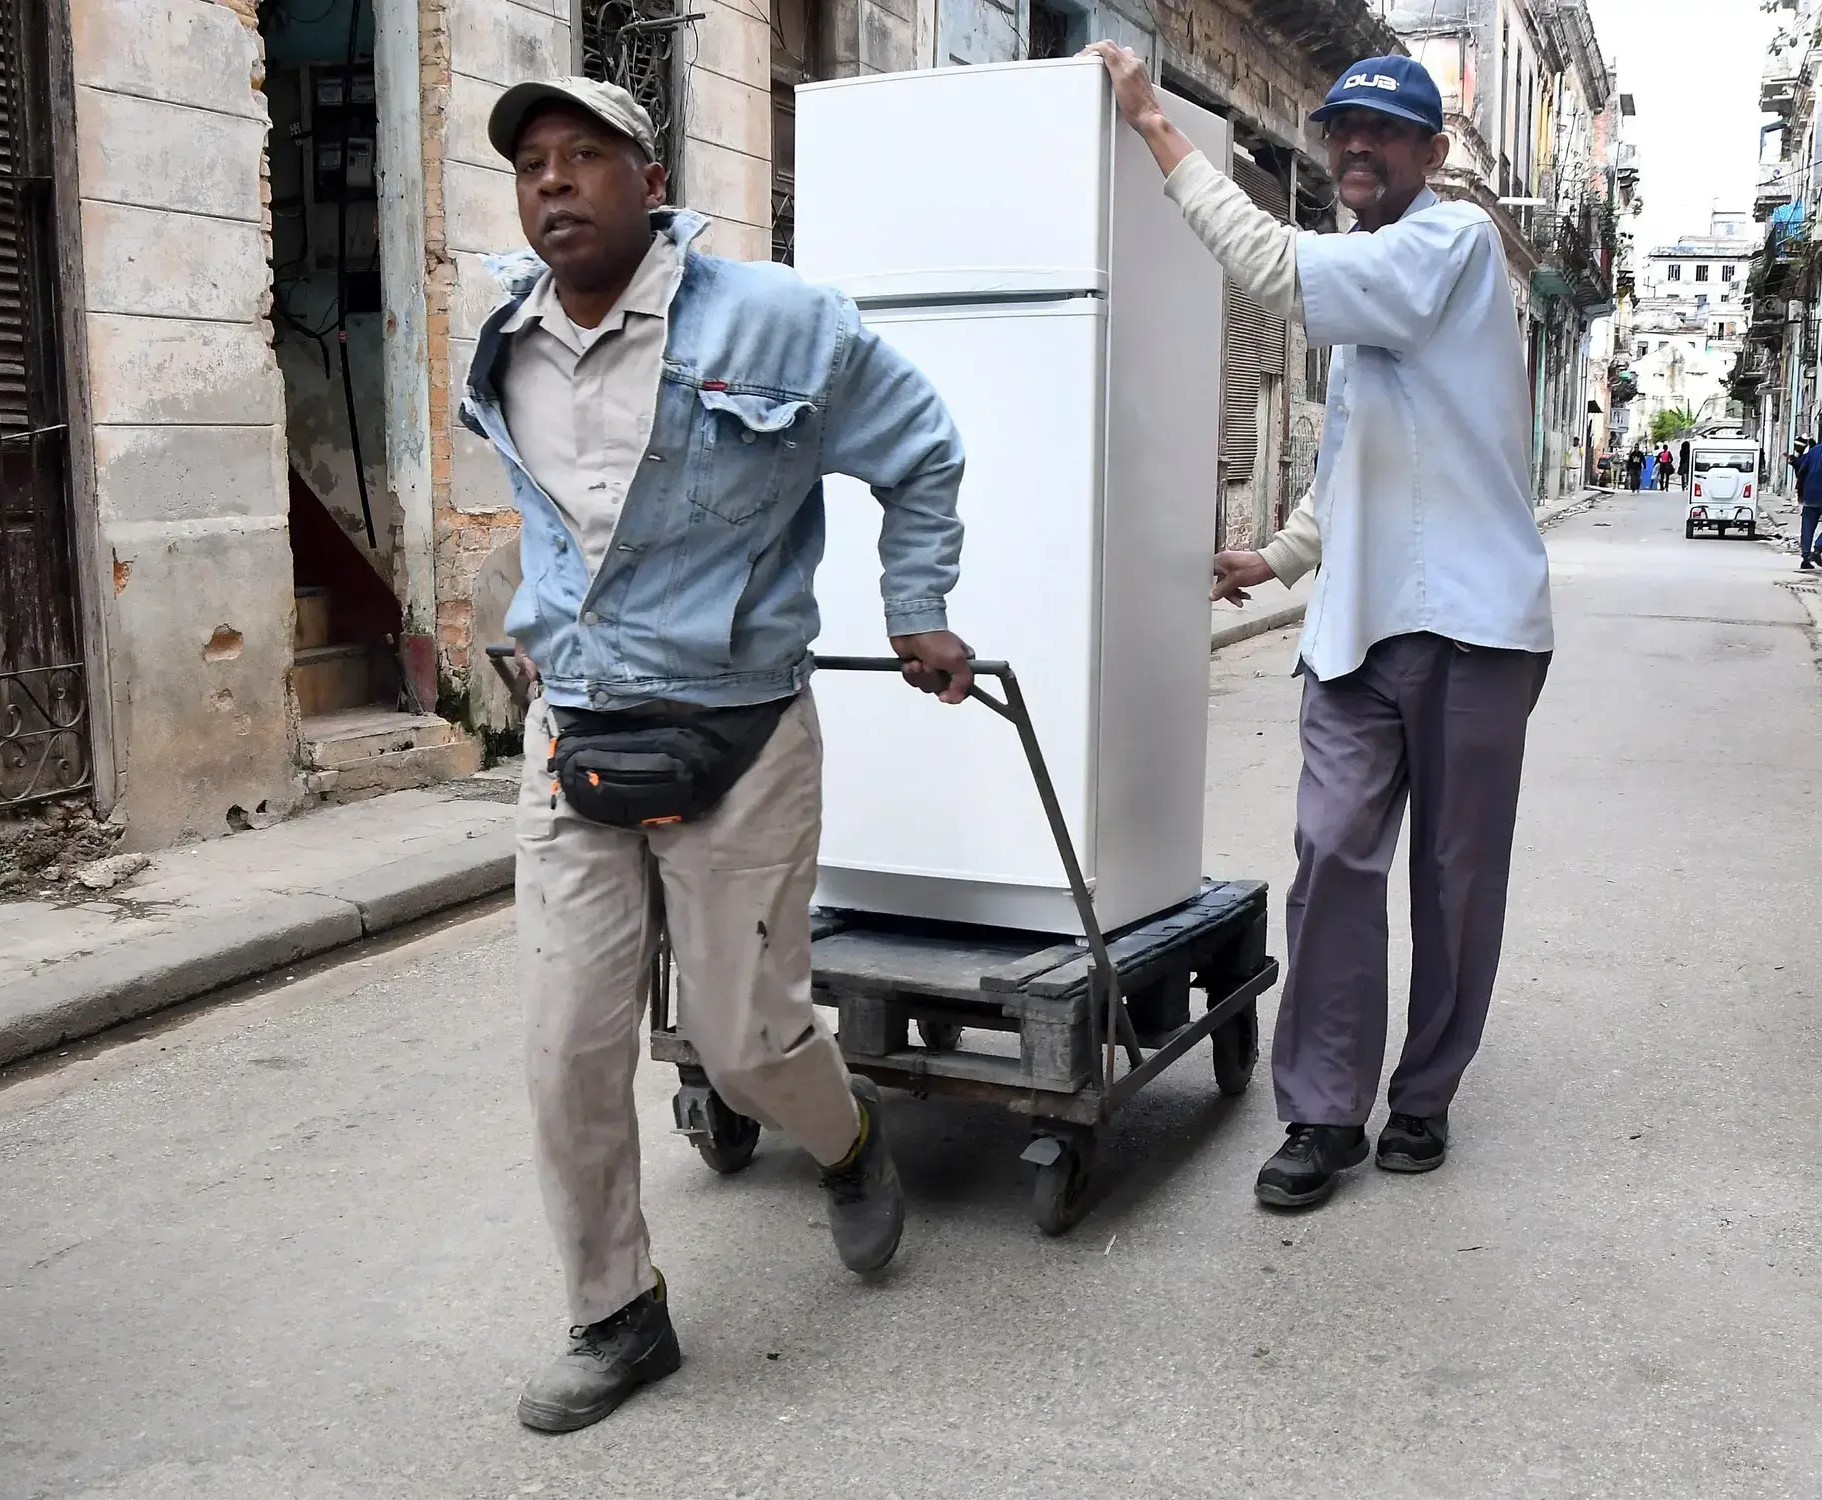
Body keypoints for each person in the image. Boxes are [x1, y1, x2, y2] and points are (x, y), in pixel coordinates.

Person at [460, 78, 972, 1431]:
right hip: (576, 734)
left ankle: (848, 1140)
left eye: (585, 158)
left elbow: (921, 448)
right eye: (533, 166)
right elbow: (538, 504)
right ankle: (617, 1316)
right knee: (566, 1046)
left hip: (739, 732)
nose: (554, 183)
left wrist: (915, 610)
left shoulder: (780, 323)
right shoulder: (503, 333)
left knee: (743, 1042)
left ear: (652, 174)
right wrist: (517, 626)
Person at [1089, 45, 1553, 1207]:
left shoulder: (1446, 244)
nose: (1353, 144)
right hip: (1355, 628)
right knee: (1331, 859)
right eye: (1341, 126)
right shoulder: (1362, 276)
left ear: (1429, 156)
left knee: (1454, 878)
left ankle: (1424, 1094)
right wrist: (1280, 554)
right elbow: (1346, 461)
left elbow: (1271, 274)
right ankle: (1320, 1113)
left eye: (1382, 133)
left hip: (1474, 624)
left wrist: (1156, 128)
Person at [1791, 438, 1822, 568]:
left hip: (1810, 493)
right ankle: (1818, 548)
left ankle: (1805, 558)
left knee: (1807, 526)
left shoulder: (1814, 450)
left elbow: (1802, 470)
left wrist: (1800, 491)